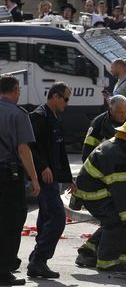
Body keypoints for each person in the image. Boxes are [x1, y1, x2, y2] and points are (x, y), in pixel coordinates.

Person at [74, 117, 126, 271]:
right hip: (95, 195)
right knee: (119, 220)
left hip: (101, 191)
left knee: (117, 218)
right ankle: (107, 261)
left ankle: (89, 250)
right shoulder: (115, 155)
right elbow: (120, 191)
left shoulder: (120, 149)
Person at [27, 82, 76, 279]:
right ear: (54, 96)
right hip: (44, 178)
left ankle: (37, 261)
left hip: (53, 179)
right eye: (65, 98)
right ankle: (38, 259)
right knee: (57, 218)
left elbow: (60, 150)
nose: (67, 103)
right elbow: (29, 146)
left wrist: (68, 178)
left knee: (47, 218)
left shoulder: (54, 117)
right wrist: (42, 167)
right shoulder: (39, 117)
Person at [0, 75, 40, 286]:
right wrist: (34, 179)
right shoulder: (18, 114)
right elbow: (23, 149)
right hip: (8, 176)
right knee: (11, 221)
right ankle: (4, 269)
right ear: (15, 90)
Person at [82, 95, 126, 162]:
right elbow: (88, 149)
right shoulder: (98, 123)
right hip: (105, 163)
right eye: (119, 112)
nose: (123, 115)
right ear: (110, 109)